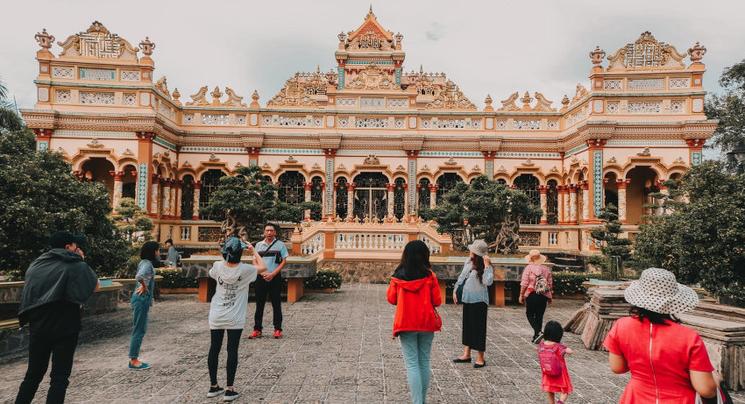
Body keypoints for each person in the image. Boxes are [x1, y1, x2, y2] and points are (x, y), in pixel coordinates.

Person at [603, 267, 719, 404]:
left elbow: (618, 368)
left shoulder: (621, 326)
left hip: (636, 397)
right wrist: (716, 378)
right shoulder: (689, 337)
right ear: (674, 301)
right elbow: (706, 389)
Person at [15, 231, 99, 404]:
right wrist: (81, 260)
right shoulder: (76, 264)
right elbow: (95, 286)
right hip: (66, 325)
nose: (78, 249)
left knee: (33, 374)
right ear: (68, 246)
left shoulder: (37, 263)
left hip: (39, 325)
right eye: (76, 246)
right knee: (60, 377)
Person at [207, 237, 266, 401]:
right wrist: (253, 250)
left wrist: (225, 253)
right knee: (232, 350)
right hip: (234, 315)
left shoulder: (217, 266)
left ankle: (213, 386)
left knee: (214, 348)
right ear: (241, 253)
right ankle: (229, 389)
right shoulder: (245, 270)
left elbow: (216, 270)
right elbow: (263, 267)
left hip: (216, 314)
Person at [386, 240, 442, 404]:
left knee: (412, 364)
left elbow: (391, 298)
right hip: (426, 322)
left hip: (406, 322)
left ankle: (418, 402)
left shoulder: (398, 276)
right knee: (424, 361)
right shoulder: (430, 276)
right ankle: (421, 401)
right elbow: (437, 301)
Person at [452, 239, 493, 368]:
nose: (470, 251)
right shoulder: (468, 261)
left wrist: (487, 266)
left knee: (479, 328)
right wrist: (455, 290)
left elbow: (488, 282)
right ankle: (467, 353)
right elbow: (462, 276)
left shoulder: (486, 265)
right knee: (467, 326)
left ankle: (480, 357)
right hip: (467, 298)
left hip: (480, 300)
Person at [248, 223, 289, 339]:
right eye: (267, 231)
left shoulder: (280, 245)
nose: (269, 233)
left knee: (276, 304)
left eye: (271, 231)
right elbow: (254, 261)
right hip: (261, 278)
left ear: (275, 232)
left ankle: (277, 329)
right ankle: (257, 329)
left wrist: (273, 273)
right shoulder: (259, 245)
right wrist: (262, 273)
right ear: (264, 232)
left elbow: (284, 261)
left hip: (275, 277)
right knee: (259, 304)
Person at [128, 241, 160, 370]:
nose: (158, 252)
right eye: (157, 250)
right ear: (152, 251)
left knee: (139, 328)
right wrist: (144, 286)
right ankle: (133, 360)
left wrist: (143, 285)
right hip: (141, 300)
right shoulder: (147, 264)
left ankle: (134, 358)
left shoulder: (144, 263)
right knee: (139, 330)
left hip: (140, 300)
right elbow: (139, 276)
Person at [520, 249, 553, 344]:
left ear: (530, 258)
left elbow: (524, 283)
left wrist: (521, 295)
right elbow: (550, 284)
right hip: (543, 295)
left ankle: (538, 332)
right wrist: (550, 297)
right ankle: (536, 336)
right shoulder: (546, 269)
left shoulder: (528, 268)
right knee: (539, 316)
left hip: (531, 294)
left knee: (529, 314)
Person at [538, 321, 573, 404]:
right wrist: (566, 349)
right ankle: (560, 402)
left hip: (547, 372)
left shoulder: (542, 345)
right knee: (565, 390)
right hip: (560, 373)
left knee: (549, 389)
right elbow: (570, 351)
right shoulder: (558, 346)